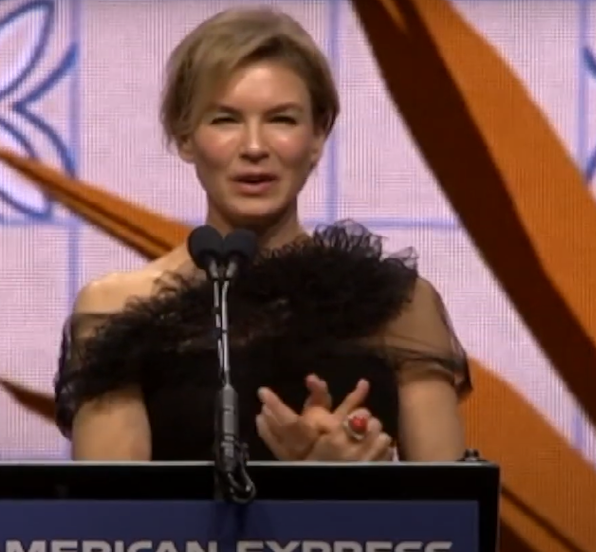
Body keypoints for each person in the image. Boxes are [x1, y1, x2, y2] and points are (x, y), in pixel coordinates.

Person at [54, 7, 472, 462]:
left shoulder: (398, 306)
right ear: (185, 135)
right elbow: (112, 506)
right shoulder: (118, 311)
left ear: (318, 136)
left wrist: (342, 485)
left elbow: (449, 505)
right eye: (225, 120)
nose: (254, 147)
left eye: (282, 120)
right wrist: (295, 487)